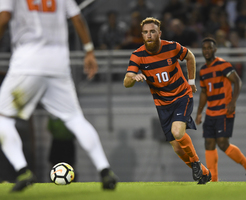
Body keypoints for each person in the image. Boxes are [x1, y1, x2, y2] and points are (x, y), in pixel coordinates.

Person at [0, 0, 117, 191]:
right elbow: (77, 18)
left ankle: (22, 170)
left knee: (3, 120)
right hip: (58, 63)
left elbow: (4, 18)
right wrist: (89, 51)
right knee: (75, 119)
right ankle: (105, 170)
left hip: (27, 62)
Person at [123, 17, 211, 184]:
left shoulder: (172, 47)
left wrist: (191, 81)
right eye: (145, 32)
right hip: (162, 105)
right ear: (142, 35)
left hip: (181, 96)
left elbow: (190, 56)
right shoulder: (137, 55)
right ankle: (204, 172)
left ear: (159, 33)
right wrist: (133, 77)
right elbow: (126, 82)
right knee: (177, 147)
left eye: (152, 32)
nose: (149, 35)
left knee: (178, 132)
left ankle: (196, 162)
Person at [195, 37, 246, 182]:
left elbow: (237, 81)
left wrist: (233, 102)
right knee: (209, 143)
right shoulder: (203, 70)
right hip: (211, 112)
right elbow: (204, 93)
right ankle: (214, 179)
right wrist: (199, 113)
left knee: (223, 143)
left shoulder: (223, 65)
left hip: (224, 111)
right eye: (204, 48)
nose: (207, 50)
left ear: (215, 50)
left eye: (210, 48)